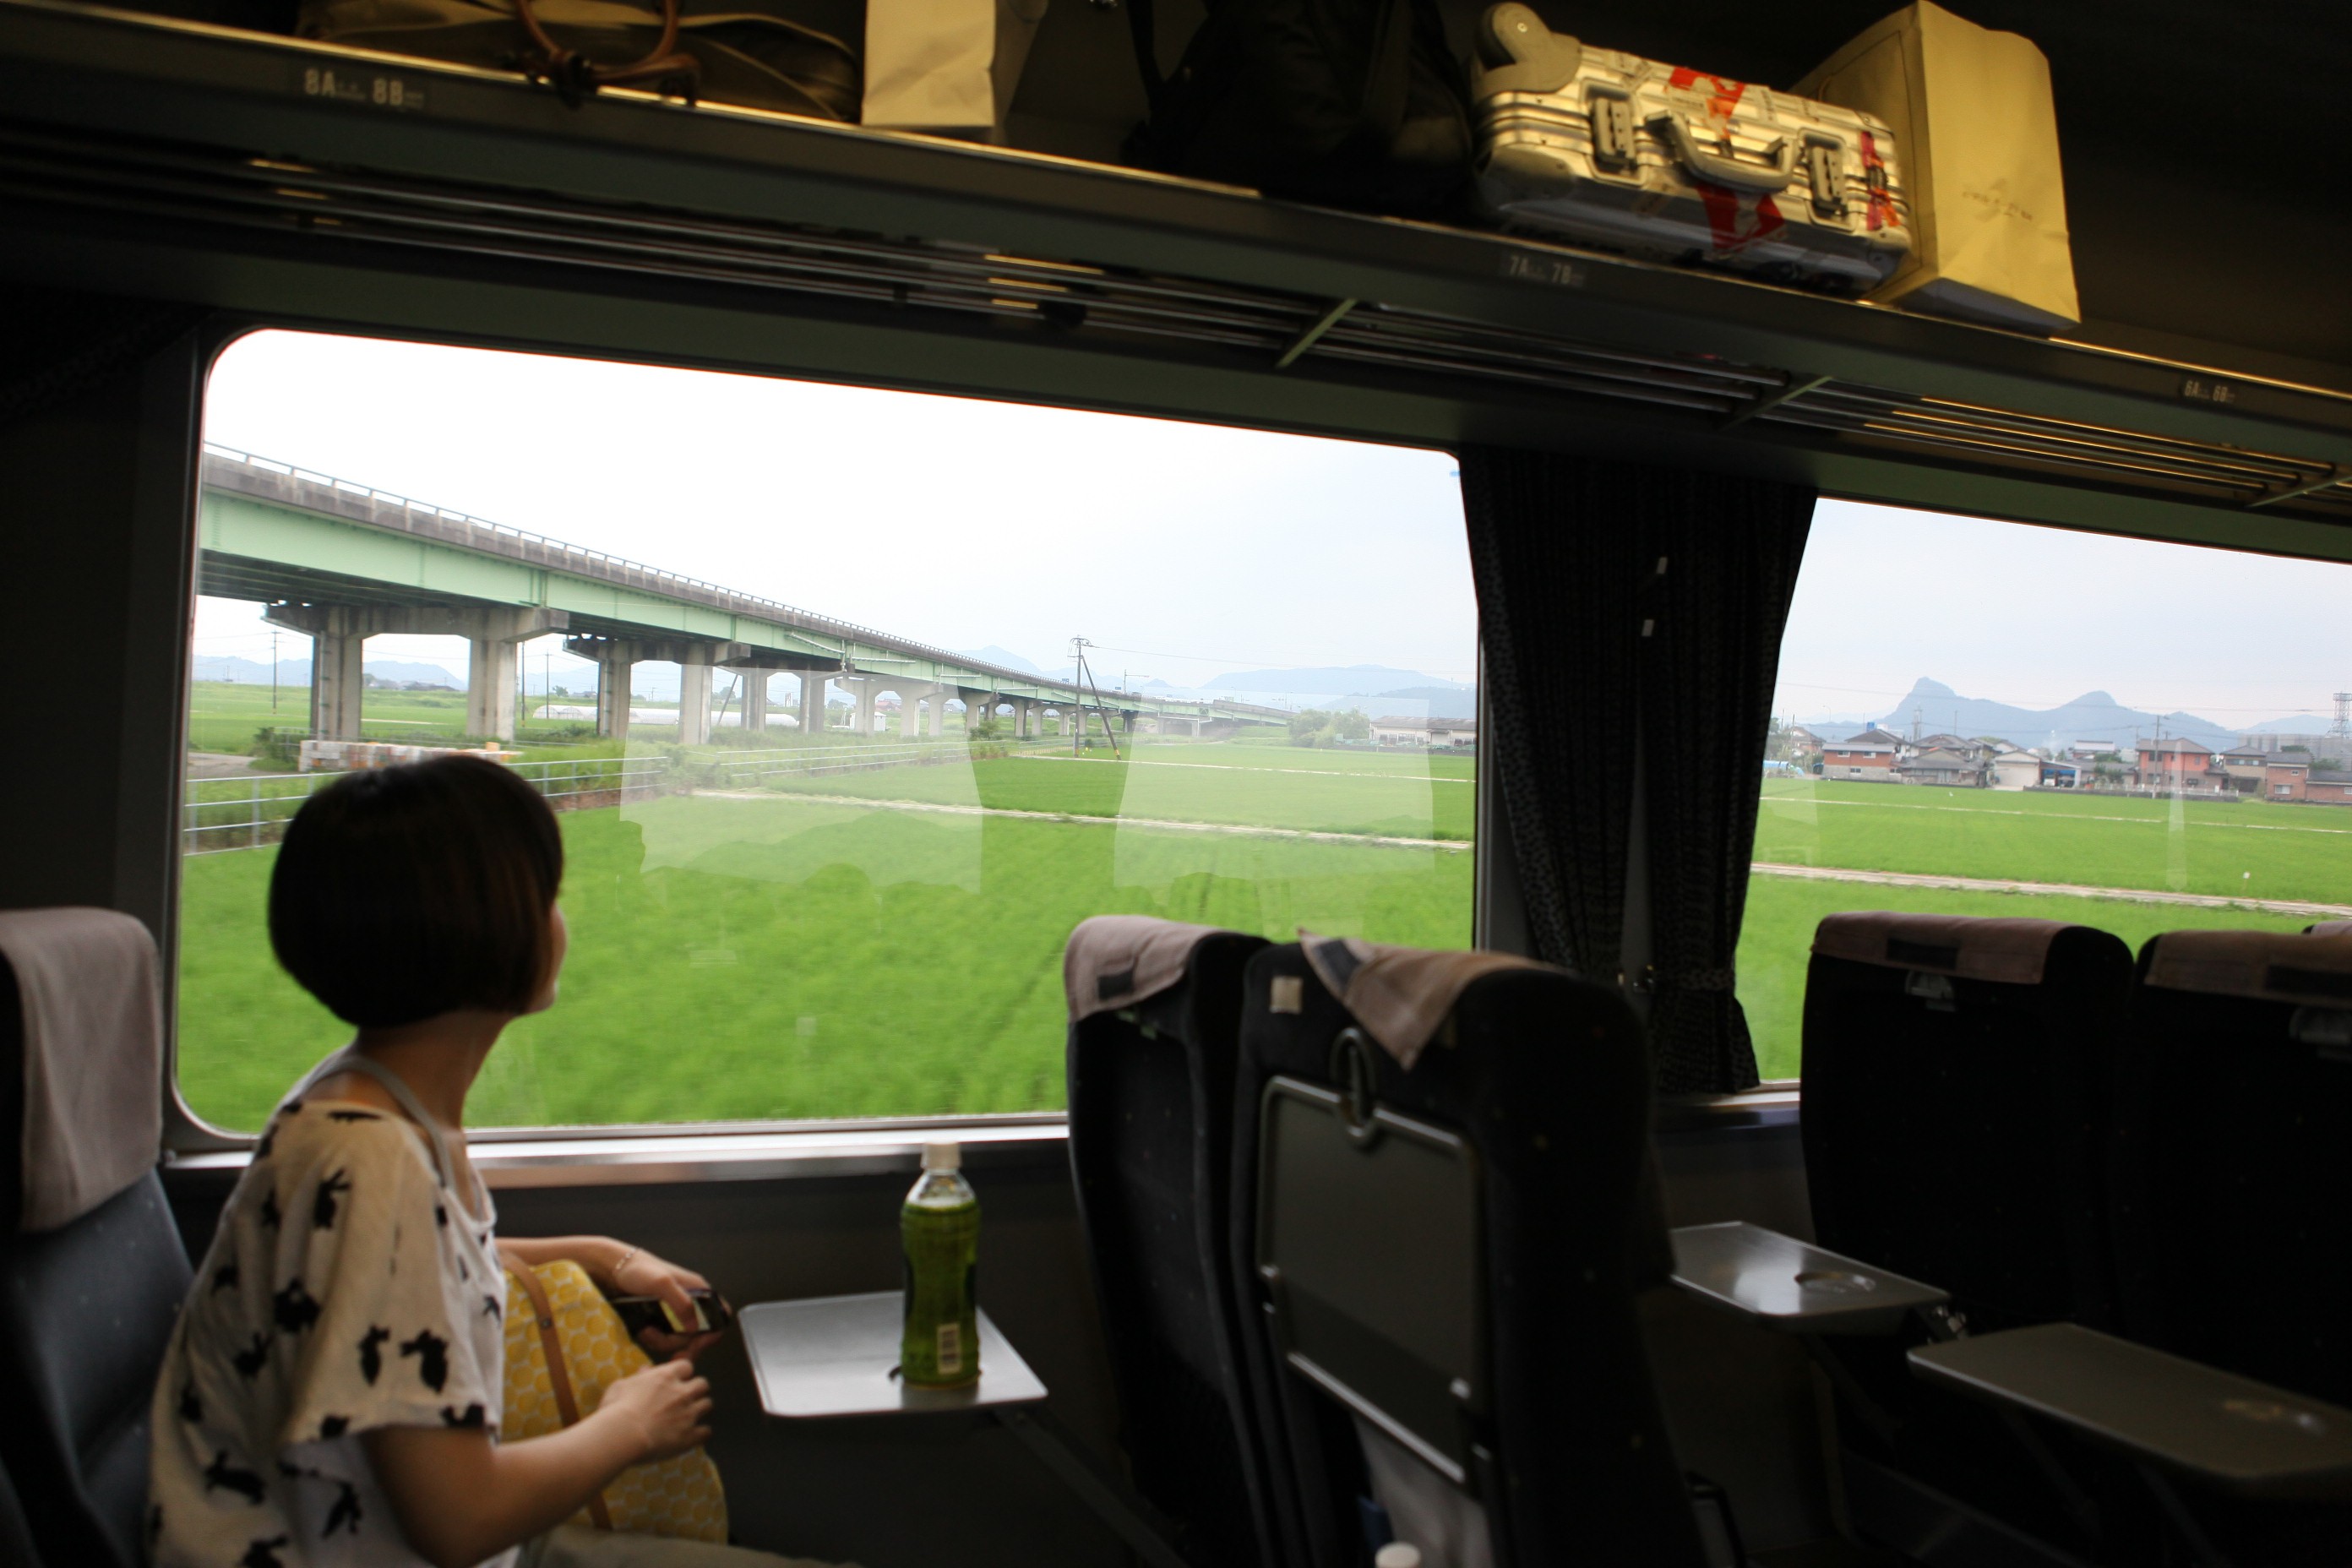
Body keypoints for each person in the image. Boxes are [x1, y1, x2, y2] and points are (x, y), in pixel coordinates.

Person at [150, 756, 826, 1568]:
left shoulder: (365, 1100)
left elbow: (409, 1275)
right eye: (546, 896)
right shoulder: (369, 1161)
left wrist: (602, 1256)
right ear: (486, 927)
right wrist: (628, 1426)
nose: (560, 921)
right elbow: (458, 1520)